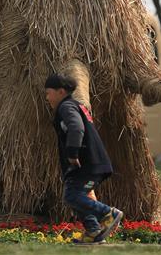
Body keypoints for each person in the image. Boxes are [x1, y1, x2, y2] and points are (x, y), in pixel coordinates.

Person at [45, 72, 123, 245]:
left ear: (61, 92)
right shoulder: (75, 106)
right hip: (92, 164)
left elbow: (76, 128)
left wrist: (72, 153)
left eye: (48, 92)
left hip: (86, 164)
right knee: (78, 196)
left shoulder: (66, 107)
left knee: (72, 196)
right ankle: (93, 231)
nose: (47, 97)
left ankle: (108, 213)